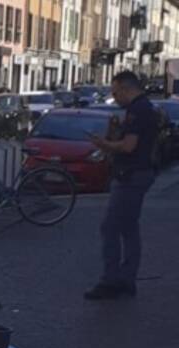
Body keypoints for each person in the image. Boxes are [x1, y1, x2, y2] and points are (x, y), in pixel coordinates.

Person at [84, 71, 158, 300]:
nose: (114, 98)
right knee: (129, 227)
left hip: (131, 175)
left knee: (110, 227)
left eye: (116, 92)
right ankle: (127, 278)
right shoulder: (144, 108)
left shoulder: (138, 111)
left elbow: (128, 146)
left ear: (127, 89)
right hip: (141, 172)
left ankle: (111, 280)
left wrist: (103, 144)